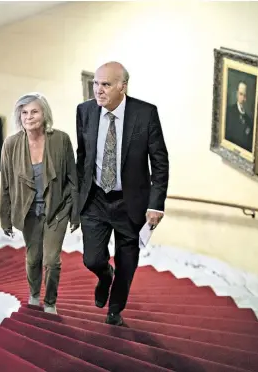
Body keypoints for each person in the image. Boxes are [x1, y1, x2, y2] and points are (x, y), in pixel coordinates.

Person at [76, 62, 169, 326]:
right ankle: (105, 275)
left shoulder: (145, 113)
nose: (98, 90)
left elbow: (159, 162)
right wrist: (77, 196)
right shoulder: (84, 111)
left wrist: (156, 204)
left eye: (105, 84)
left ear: (122, 86)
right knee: (92, 258)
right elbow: (82, 156)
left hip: (131, 202)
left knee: (127, 264)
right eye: (95, 83)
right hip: (95, 199)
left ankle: (115, 309)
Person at [0, 93, 80, 314]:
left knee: (52, 260)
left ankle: (51, 301)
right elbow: (5, 183)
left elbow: (73, 179)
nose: (29, 117)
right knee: (33, 258)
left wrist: (76, 214)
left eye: (34, 111)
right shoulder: (11, 144)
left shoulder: (61, 139)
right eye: (24, 112)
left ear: (44, 114)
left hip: (58, 209)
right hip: (28, 212)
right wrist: (5, 217)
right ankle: (35, 293)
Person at [225, 80, 254, 152]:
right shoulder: (229, 111)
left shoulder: (248, 119)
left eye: (244, 95)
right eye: (241, 94)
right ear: (237, 94)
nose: (242, 98)